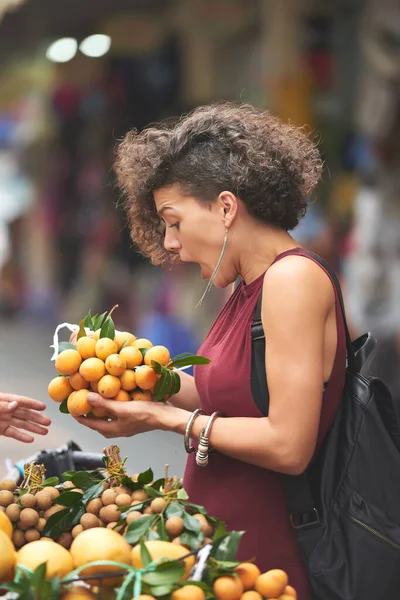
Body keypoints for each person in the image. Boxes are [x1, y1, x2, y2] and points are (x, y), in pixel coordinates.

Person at [75, 102, 346, 599]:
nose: (171, 243)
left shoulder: (291, 280)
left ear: (225, 207)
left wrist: (166, 418)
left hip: (268, 562)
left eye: (173, 221)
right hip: (220, 554)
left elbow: (288, 444)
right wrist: (138, 374)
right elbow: (231, 396)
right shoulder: (246, 285)